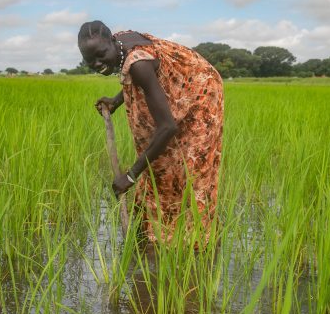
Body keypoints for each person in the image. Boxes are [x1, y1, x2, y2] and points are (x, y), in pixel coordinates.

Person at [78, 20, 224, 245]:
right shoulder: (121, 46)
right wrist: (117, 101)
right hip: (176, 86)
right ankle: (157, 229)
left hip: (200, 92)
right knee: (161, 162)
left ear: (111, 41)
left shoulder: (139, 64)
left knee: (189, 167)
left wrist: (129, 176)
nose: (97, 63)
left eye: (100, 54)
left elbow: (168, 127)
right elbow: (144, 81)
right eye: (89, 60)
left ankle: (192, 239)